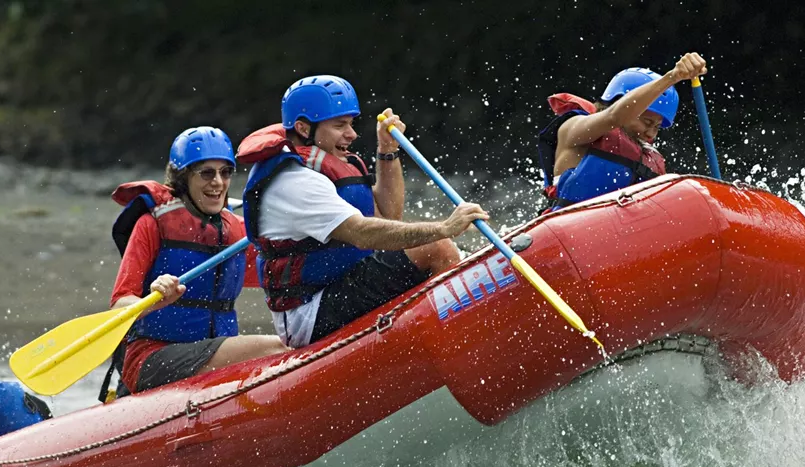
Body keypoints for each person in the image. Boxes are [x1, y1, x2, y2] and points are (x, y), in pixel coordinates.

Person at [236, 75, 489, 348]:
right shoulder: (295, 181)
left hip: (342, 282)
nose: (352, 134)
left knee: (432, 247)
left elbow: (388, 214)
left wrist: (388, 150)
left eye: (351, 124)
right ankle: (462, 343)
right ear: (303, 128)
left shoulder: (333, 163)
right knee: (435, 247)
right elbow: (361, 233)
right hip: (308, 313)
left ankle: (447, 333)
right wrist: (443, 228)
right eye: (339, 125)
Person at [107, 126, 287, 397]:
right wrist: (154, 297)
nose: (218, 182)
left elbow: (285, 270)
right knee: (279, 348)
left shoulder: (238, 231)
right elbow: (118, 307)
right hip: (153, 358)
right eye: (206, 173)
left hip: (212, 351)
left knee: (292, 342)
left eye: (225, 172)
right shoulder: (151, 225)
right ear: (183, 178)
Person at [537, 52, 708, 213]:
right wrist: (673, 77)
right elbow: (614, 117)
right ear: (617, 102)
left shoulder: (643, 157)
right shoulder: (574, 128)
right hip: (566, 231)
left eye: (656, 127)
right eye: (647, 122)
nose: (651, 133)